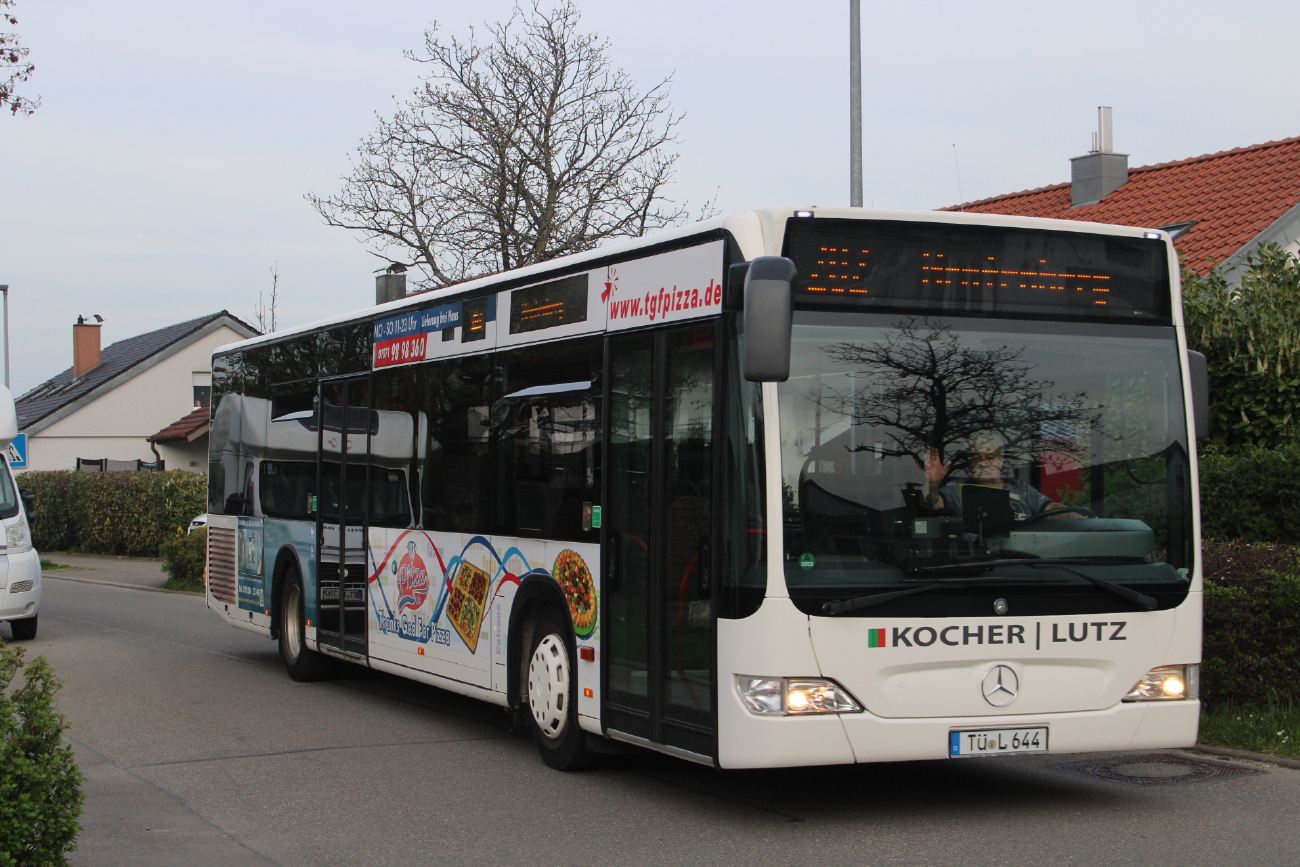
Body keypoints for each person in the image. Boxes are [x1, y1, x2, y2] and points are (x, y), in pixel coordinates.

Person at [923, 431, 1068, 521]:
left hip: (1026, 558)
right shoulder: (956, 489)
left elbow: (1051, 509)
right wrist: (933, 482)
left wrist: (1082, 518)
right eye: (976, 457)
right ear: (970, 462)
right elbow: (933, 504)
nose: (982, 463)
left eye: (990, 457)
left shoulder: (1020, 487)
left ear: (1001, 460)